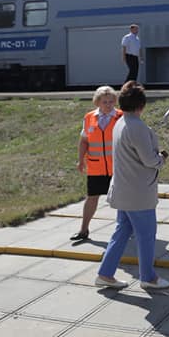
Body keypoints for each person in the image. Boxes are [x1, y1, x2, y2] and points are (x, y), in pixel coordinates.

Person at [95, 81, 169, 291]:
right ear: (141, 105)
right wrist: (161, 158)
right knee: (146, 236)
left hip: (123, 190)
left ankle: (105, 273)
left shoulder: (120, 123)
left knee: (121, 233)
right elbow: (149, 160)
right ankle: (148, 277)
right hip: (138, 193)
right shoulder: (137, 126)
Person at [72, 85, 124, 242]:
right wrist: (81, 160)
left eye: (111, 101)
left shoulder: (121, 116)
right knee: (91, 197)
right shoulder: (89, 118)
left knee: (122, 200)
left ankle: (128, 229)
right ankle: (83, 230)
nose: (108, 105)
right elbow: (84, 141)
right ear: (97, 102)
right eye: (104, 102)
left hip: (118, 168)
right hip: (95, 167)